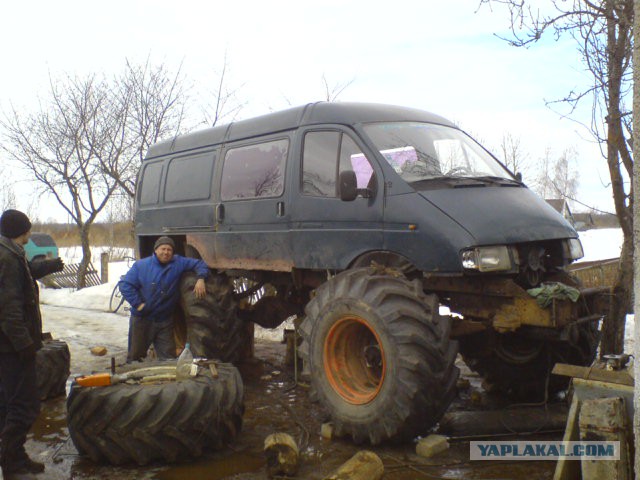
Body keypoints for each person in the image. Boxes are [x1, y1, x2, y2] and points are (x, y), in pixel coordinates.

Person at [0, 209, 64, 480]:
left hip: (7, 345)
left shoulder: (10, 252)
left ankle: (14, 457)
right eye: (27, 229)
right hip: (12, 347)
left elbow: (22, 278)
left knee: (8, 403)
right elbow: (9, 308)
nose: (29, 233)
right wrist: (25, 345)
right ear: (21, 231)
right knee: (24, 405)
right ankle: (11, 462)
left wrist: (47, 266)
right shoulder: (7, 257)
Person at [119, 236, 209, 362]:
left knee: (168, 358)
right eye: (163, 249)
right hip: (142, 320)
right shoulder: (141, 266)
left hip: (164, 321)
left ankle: (166, 381)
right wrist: (138, 304)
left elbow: (200, 263)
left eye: (169, 250)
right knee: (135, 357)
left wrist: (201, 278)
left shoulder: (178, 263)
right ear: (156, 250)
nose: (166, 252)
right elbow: (125, 285)